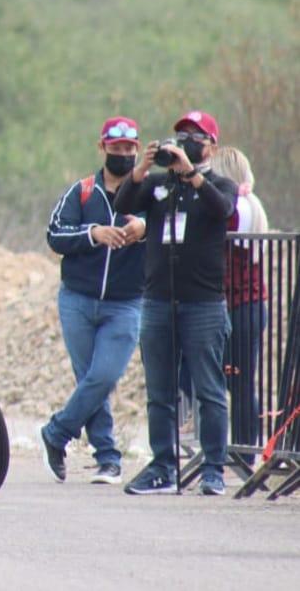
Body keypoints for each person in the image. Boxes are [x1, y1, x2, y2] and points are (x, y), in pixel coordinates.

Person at [115, 110, 237, 496]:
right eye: (181, 135)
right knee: (160, 391)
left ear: (211, 146)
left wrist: (192, 173)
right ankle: (163, 466)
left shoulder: (218, 183)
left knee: (209, 389)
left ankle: (213, 468)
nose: (186, 141)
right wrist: (141, 169)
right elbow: (123, 204)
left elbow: (223, 210)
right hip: (158, 300)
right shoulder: (158, 186)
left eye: (195, 136)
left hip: (203, 303)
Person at [41, 117, 146, 485]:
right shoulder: (82, 192)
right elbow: (55, 234)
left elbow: (170, 225)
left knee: (104, 375)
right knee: (89, 378)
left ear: (137, 149)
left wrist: (143, 227)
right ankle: (108, 457)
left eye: (129, 149)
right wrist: (93, 233)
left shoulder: (149, 191)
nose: (122, 154)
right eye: (116, 149)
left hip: (126, 303)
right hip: (78, 299)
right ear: (102, 148)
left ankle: (56, 433)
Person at [213, 146, 269, 459]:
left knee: (238, 380)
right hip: (246, 302)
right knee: (238, 380)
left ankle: (244, 450)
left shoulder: (239, 207)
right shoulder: (251, 204)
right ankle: (243, 448)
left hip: (240, 303)